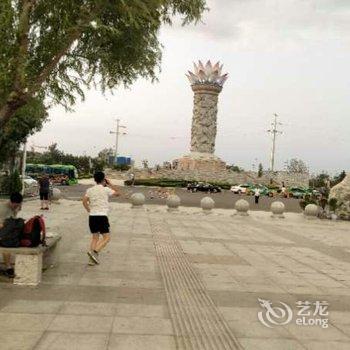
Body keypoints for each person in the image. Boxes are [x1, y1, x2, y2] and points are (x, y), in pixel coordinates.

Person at [82, 171, 120, 265]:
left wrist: (89, 210)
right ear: (103, 179)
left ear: (95, 179)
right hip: (102, 216)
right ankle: (94, 252)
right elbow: (118, 193)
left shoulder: (90, 190)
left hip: (92, 217)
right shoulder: (106, 189)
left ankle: (91, 261)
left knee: (95, 238)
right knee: (106, 238)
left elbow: (84, 201)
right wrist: (110, 183)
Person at [0, 192, 23, 277]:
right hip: (2, 231)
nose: (16, 207)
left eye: (18, 205)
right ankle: (8, 267)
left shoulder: (17, 207)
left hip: (7, 230)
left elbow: (13, 219)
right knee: (6, 243)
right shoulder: (2, 208)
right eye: (15, 205)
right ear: (11, 202)